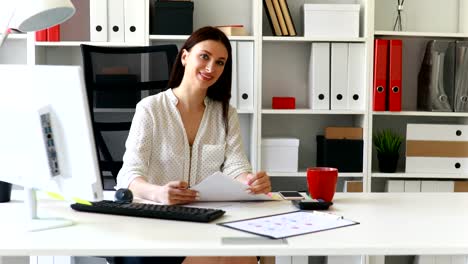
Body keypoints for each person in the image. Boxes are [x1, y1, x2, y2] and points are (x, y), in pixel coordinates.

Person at [114, 26, 271, 264]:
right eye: (204, 56)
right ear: (185, 57)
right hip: (158, 220)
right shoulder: (151, 109)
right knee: (215, 256)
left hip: (210, 218)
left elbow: (235, 166)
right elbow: (129, 174)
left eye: (220, 62)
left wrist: (249, 181)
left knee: (243, 250)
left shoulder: (226, 114)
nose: (211, 68)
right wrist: (158, 193)